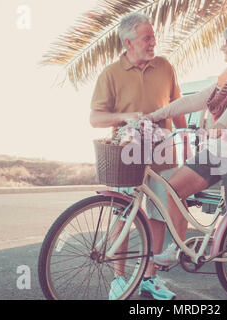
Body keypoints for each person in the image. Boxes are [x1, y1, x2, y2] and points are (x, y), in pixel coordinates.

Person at [146, 24, 227, 301]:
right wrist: (155, 114)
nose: (222, 47)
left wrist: (222, 124)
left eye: (226, 42)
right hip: (218, 151)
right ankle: (177, 249)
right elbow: (193, 100)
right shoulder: (225, 77)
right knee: (172, 187)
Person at [90, 12, 189, 300]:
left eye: (153, 37)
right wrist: (123, 116)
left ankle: (149, 277)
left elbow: (177, 106)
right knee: (123, 214)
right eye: (147, 38)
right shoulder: (111, 73)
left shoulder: (165, 67)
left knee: (159, 215)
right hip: (127, 155)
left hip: (163, 153)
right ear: (128, 42)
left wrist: (187, 140)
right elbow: (95, 118)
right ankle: (119, 279)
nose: (153, 42)